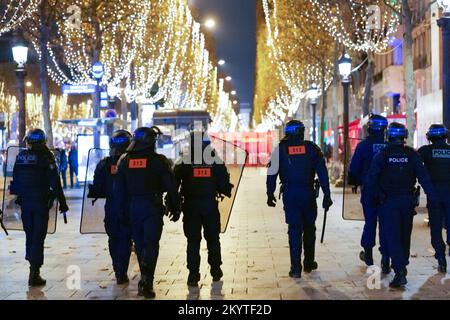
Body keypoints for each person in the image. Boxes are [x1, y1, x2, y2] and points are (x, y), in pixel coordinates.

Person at [365, 122, 438, 288]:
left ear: (389, 136)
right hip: (407, 202)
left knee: (393, 237)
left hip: (388, 202)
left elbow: (370, 180)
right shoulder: (412, 155)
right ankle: (402, 266)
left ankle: (399, 272)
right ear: (404, 136)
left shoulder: (382, 155)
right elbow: (424, 177)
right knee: (405, 235)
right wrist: (432, 197)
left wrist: (374, 197)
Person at [114, 127, 180, 299]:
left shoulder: (124, 160)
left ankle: (145, 278)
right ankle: (146, 281)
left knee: (141, 244)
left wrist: (121, 213)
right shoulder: (159, 161)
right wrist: (175, 206)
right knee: (151, 244)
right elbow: (171, 188)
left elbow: (118, 191)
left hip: (133, 208)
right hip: (152, 207)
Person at [266, 120, 333, 278]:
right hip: (308, 193)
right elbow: (323, 173)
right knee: (309, 227)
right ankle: (309, 262)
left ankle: (295, 267)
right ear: (301, 132)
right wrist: (327, 194)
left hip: (290, 194)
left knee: (294, 229)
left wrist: (270, 193)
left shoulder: (280, 150)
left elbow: (271, 173)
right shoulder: (312, 148)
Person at [174, 131, 233, 287]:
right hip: (209, 206)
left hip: (191, 207)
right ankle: (215, 270)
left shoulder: (184, 161)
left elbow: (173, 183)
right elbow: (224, 183)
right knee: (213, 238)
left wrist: (173, 204)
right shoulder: (215, 160)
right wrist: (225, 189)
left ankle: (193, 275)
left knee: (193, 241)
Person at [10, 129, 69, 287]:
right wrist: (62, 203)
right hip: (40, 203)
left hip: (25, 204)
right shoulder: (46, 156)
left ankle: (33, 267)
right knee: (38, 236)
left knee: (30, 235)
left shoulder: (21, 157)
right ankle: (34, 272)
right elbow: (55, 182)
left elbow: (15, 180)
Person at [88, 130, 133, 284]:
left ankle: (117, 270)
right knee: (126, 239)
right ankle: (123, 271)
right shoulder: (132, 162)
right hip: (128, 206)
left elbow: (97, 188)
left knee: (114, 238)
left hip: (112, 207)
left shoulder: (104, 164)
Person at [348, 114, 390, 272]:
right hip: (388, 193)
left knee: (370, 223)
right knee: (386, 224)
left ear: (370, 128)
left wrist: (357, 182)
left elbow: (353, 170)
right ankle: (386, 259)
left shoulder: (363, 146)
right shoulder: (390, 146)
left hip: (369, 192)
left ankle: (369, 254)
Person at [418, 124, 450, 273]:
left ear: (430, 137)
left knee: (436, 229)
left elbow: (414, 167)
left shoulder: (425, 151)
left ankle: (441, 259)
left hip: (435, 196)